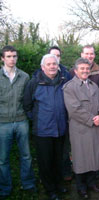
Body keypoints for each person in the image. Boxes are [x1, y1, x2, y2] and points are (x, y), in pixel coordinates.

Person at [23, 54, 69, 200]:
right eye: (48, 64)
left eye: (54, 64)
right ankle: (50, 190)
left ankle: (59, 184)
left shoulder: (63, 81)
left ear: (58, 66)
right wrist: (37, 119)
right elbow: (27, 105)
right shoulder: (34, 83)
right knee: (45, 162)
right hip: (43, 130)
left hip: (60, 129)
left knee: (59, 159)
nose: (52, 67)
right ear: (43, 67)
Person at [63, 58, 99, 199]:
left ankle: (92, 183)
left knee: (93, 156)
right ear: (75, 71)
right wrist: (91, 120)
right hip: (80, 129)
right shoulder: (69, 87)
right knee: (81, 158)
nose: (85, 71)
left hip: (95, 127)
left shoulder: (94, 85)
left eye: (87, 69)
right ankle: (81, 187)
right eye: (82, 68)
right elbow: (74, 109)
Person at [0, 46, 35, 198]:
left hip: (21, 121)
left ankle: (28, 184)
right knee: (3, 159)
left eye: (14, 56)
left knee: (26, 155)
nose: (12, 59)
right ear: (2, 58)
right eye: (8, 56)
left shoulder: (25, 76)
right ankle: (5, 187)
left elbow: (28, 100)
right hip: (3, 123)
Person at [48, 46, 73, 181]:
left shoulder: (66, 73)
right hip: (48, 120)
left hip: (64, 117)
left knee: (64, 148)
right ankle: (52, 175)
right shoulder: (40, 73)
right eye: (53, 55)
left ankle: (66, 172)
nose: (55, 58)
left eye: (58, 56)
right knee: (50, 150)